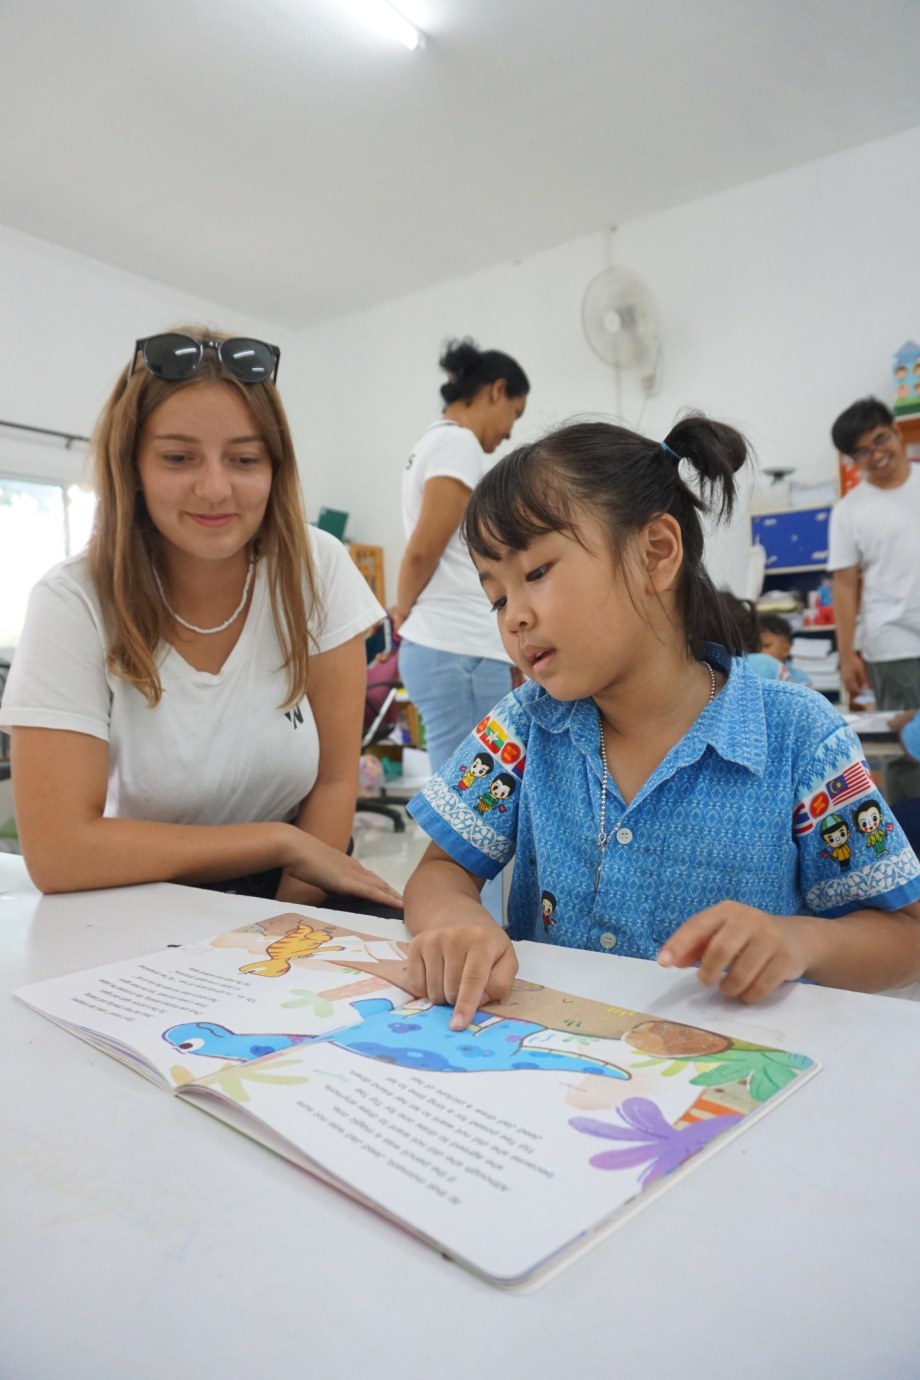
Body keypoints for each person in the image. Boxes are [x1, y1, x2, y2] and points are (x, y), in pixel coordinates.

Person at [397, 416, 920, 1029]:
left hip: (729, 1069)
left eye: (535, 573)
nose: (513, 617)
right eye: (497, 597)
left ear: (656, 553)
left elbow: (905, 935)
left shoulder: (798, 738)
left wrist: (801, 941)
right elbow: (440, 871)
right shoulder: (525, 725)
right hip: (551, 1060)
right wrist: (458, 920)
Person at [0, 327, 403, 912]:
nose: (215, 489)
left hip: (300, 885)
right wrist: (278, 841)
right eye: (177, 457)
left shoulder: (318, 567)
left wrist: (286, 924)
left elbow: (335, 782)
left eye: (244, 459)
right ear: (132, 465)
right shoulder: (72, 602)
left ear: (275, 467)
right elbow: (60, 851)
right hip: (142, 890)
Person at [392, 337, 530, 918]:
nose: (509, 432)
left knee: (468, 810)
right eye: (514, 413)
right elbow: (424, 548)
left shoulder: (430, 442)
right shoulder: (458, 444)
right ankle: (478, 933)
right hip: (456, 648)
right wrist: (402, 610)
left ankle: (471, 927)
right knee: (475, 819)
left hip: (446, 650)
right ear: (495, 391)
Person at [828, 397, 920, 801]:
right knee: (907, 750)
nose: (876, 454)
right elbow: (845, 585)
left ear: (896, 432)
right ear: (853, 460)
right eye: (862, 451)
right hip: (892, 643)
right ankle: (911, 834)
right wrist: (847, 652)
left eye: (880, 439)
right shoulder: (849, 511)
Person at [758, 611, 812, 685]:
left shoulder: (799, 678)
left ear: (785, 649)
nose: (758, 651)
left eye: (766, 645)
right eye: (753, 647)